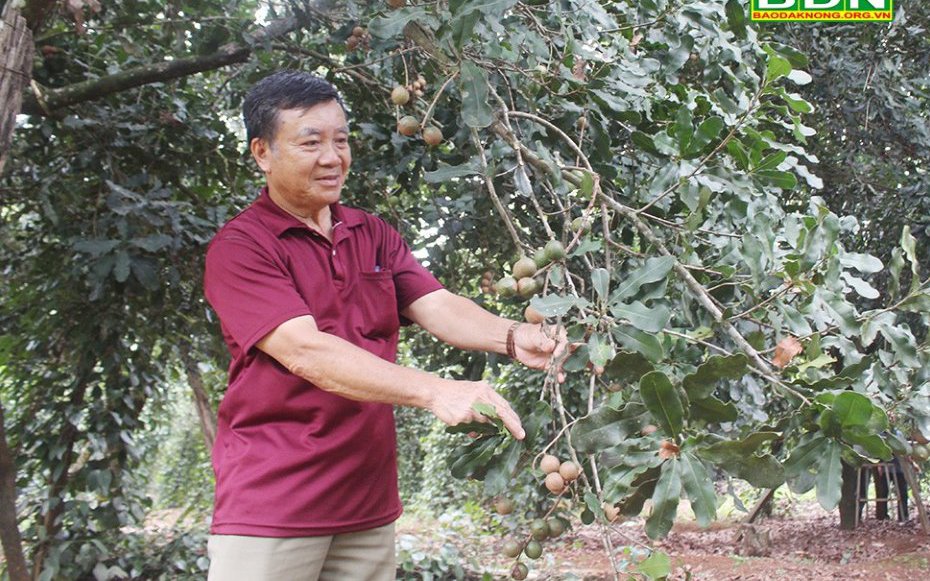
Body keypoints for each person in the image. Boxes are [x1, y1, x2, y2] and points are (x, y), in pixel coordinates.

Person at [202, 70, 564, 581]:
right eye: (311, 142)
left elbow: (436, 304)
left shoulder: (370, 232)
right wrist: (436, 391)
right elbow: (308, 352)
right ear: (262, 152)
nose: (333, 157)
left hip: (366, 503)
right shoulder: (241, 248)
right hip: (272, 506)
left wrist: (513, 336)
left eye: (341, 140)